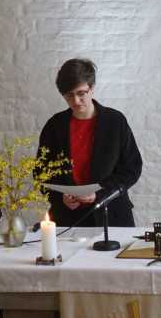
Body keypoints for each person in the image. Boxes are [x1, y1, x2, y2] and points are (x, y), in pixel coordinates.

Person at [38, 58, 142, 227]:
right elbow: (42, 172)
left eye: (81, 93)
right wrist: (60, 197)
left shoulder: (115, 121)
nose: (76, 101)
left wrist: (100, 194)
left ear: (92, 87)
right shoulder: (54, 126)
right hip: (67, 218)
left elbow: (132, 168)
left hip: (113, 216)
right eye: (69, 95)